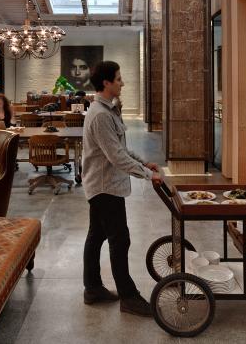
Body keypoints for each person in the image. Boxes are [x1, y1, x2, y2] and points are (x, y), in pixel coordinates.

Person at [82, 61, 162, 317]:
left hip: (105, 185)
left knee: (96, 235)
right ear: (106, 83)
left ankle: (93, 288)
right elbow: (116, 157)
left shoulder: (108, 110)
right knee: (120, 239)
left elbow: (121, 148)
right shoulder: (101, 115)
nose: (122, 83)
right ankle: (129, 297)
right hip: (105, 188)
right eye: (118, 79)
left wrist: (142, 162)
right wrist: (148, 175)